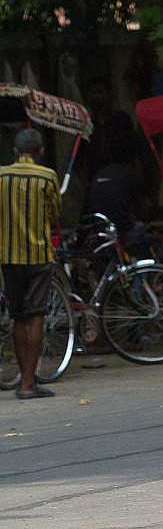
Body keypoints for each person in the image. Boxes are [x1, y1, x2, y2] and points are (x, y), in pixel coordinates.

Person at [0, 128, 61, 399]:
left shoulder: (1, 176)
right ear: (40, 152)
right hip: (38, 255)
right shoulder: (47, 176)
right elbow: (54, 214)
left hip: (8, 255)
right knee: (36, 315)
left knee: (18, 315)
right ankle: (27, 384)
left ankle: (24, 380)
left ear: (15, 151)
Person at [87, 137, 151, 254]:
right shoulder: (131, 175)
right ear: (135, 159)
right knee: (148, 237)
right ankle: (143, 272)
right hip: (121, 230)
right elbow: (144, 209)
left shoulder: (100, 173)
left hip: (98, 228)